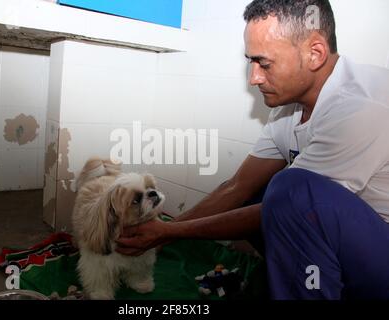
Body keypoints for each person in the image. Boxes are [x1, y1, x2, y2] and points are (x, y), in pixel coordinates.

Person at [116, 0, 389, 299]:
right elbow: (237, 187)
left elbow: (289, 205)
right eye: (251, 62)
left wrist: (169, 232)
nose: (254, 77)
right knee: (263, 191)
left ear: (315, 54)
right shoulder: (290, 108)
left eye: (265, 64)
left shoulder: (360, 107)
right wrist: (162, 233)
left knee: (289, 189)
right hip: (347, 239)